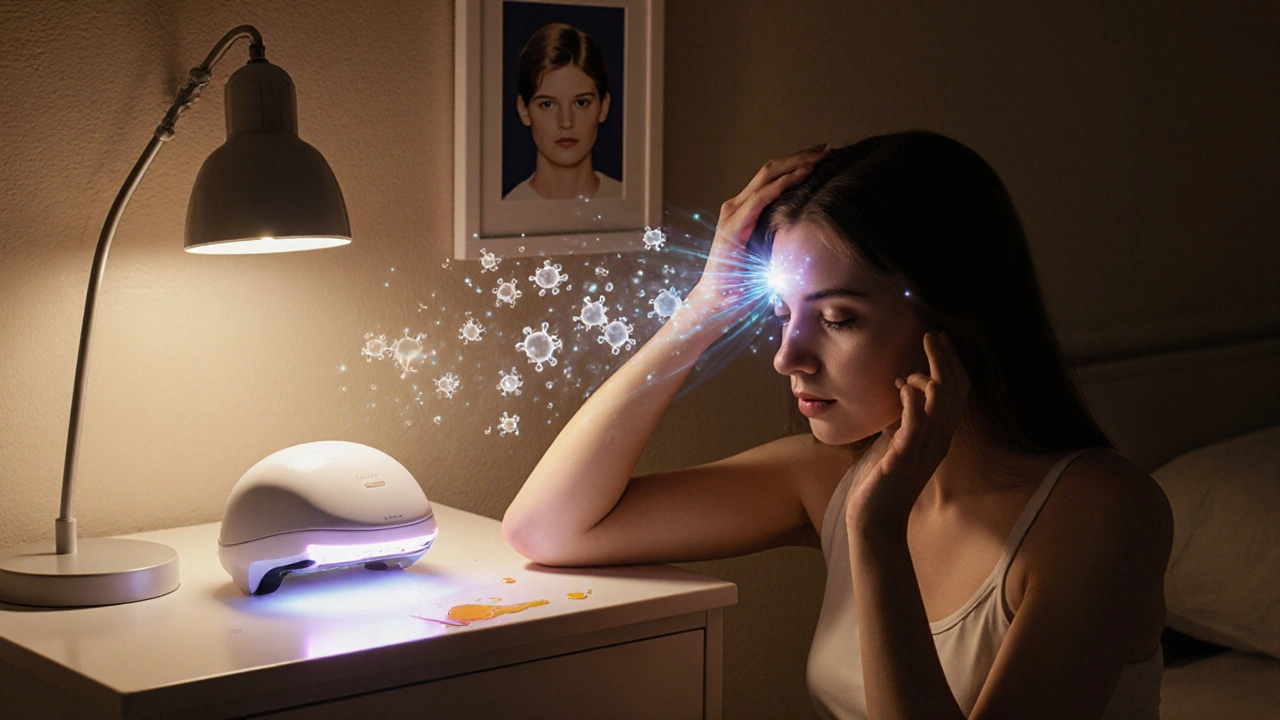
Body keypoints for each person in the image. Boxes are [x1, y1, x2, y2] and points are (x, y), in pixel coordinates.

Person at [502, 130, 1173, 719]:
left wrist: (876, 530)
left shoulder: (1101, 512)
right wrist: (701, 311)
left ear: (954, 320)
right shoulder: (827, 476)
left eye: (838, 318)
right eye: (782, 314)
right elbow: (547, 528)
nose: (786, 356)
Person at [505, 22, 622, 202]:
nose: (566, 122)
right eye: (548, 105)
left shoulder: (628, 202)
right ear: (524, 110)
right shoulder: (508, 210)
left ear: (604, 106)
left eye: (581, 102)